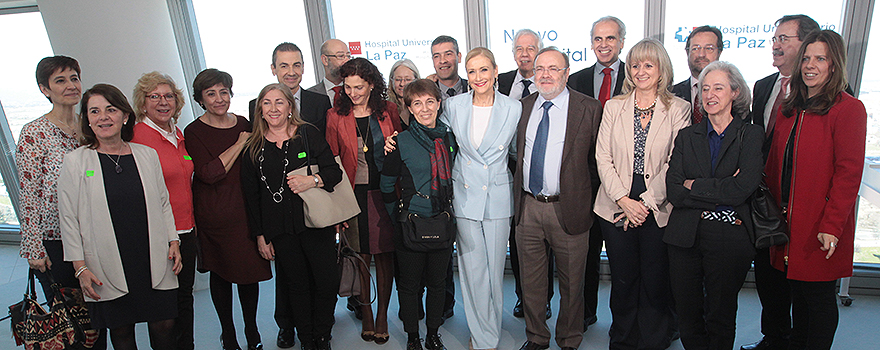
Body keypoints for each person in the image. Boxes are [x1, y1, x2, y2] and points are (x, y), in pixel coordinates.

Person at [58, 83, 182, 349]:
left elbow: (163, 203)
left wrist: (174, 241)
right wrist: (80, 267)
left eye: (110, 109)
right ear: (87, 120)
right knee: (122, 330)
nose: (103, 117)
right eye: (94, 111)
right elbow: (68, 219)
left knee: (165, 325)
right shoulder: (77, 161)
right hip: (105, 261)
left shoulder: (146, 155)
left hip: (153, 254)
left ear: (125, 115)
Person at [764, 30, 866, 350]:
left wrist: (832, 226)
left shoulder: (849, 109)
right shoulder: (789, 108)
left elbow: (848, 175)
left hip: (820, 224)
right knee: (797, 295)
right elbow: (774, 166)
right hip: (786, 223)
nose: (811, 65)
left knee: (819, 299)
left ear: (834, 65)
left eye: (820, 58)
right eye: (807, 58)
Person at [593, 38, 689, 350]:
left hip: (656, 204)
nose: (641, 70)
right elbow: (602, 157)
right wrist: (623, 199)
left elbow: (676, 163)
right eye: (635, 64)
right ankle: (622, 339)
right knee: (623, 278)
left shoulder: (678, 109)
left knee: (654, 278)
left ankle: (653, 339)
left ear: (662, 70)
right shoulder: (614, 106)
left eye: (649, 64)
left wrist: (645, 203)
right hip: (616, 201)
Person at [666, 61, 763, 349]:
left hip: (729, 235)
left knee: (720, 313)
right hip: (684, 235)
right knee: (687, 312)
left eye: (718, 88)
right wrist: (720, 187)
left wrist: (694, 185)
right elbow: (673, 190)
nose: (710, 94)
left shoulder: (750, 134)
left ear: (735, 92)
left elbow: (742, 189)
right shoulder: (687, 135)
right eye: (705, 88)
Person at [241, 83, 342, 350]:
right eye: (267, 103)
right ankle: (308, 339)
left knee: (326, 282)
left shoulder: (308, 134)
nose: (273, 108)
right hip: (280, 230)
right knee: (297, 287)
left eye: (280, 102)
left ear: (290, 107)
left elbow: (334, 173)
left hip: (315, 223)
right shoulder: (252, 147)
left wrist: (312, 181)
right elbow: (251, 197)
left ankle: (323, 335)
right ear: (260, 110)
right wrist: (260, 236)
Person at [513, 47, 601, 350]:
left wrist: (585, 200)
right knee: (531, 284)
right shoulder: (522, 107)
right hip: (528, 209)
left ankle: (569, 339)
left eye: (554, 68)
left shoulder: (588, 108)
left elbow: (597, 163)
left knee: (572, 284)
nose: (546, 75)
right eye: (540, 69)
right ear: (533, 73)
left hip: (569, 208)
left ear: (566, 73)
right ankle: (536, 338)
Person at [17, 56, 108, 349]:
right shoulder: (34, 133)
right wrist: (34, 248)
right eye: (60, 80)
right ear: (45, 89)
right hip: (55, 241)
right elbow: (28, 194)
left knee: (99, 315)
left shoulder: (90, 127)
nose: (70, 85)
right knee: (72, 325)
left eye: (74, 78)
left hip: (93, 237)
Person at [741, 14, 820, 350]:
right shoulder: (761, 86)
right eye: (775, 38)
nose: (775, 44)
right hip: (764, 200)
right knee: (768, 277)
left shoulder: (823, 92)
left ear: (806, 45)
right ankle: (773, 337)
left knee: (802, 283)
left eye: (784, 38)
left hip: (802, 201)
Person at [185, 68, 272, 350]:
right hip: (215, 215)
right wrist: (238, 144)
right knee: (220, 275)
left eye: (224, 92)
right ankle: (229, 334)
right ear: (201, 99)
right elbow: (209, 173)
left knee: (249, 275)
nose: (219, 99)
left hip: (246, 212)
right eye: (211, 94)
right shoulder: (194, 131)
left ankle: (252, 331)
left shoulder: (244, 122)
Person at [444, 47, 521, 350]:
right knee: (472, 269)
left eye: (484, 70)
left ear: (495, 71)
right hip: (464, 195)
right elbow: (441, 143)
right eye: (472, 71)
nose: (478, 77)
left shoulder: (513, 107)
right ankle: (482, 334)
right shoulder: (453, 106)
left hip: (498, 196)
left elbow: (517, 152)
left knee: (493, 269)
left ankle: (491, 328)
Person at [325, 57, 402, 345]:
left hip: (385, 194)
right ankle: (366, 314)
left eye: (358, 87)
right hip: (352, 196)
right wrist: (336, 210)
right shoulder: (335, 116)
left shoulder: (389, 111)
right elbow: (331, 164)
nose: (352, 93)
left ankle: (382, 315)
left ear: (371, 85)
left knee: (384, 256)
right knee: (360, 257)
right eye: (347, 87)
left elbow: (400, 151)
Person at [380, 79, 456, 350]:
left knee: (437, 284)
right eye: (417, 103)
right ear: (409, 108)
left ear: (438, 103)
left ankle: (433, 335)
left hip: (443, 221)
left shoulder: (449, 138)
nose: (425, 109)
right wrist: (398, 217)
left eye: (430, 102)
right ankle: (413, 337)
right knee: (410, 287)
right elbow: (387, 185)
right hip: (410, 225)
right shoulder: (400, 142)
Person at [567, 16, 628, 328]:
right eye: (598, 39)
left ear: (621, 42)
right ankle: (585, 313)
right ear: (591, 43)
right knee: (585, 256)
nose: (604, 45)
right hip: (584, 181)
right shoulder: (575, 80)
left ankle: (624, 323)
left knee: (622, 262)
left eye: (610, 39)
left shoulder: (637, 76)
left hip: (623, 183)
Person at [130, 72, 197, 350]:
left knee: (184, 299)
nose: (162, 101)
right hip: (159, 235)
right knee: (163, 310)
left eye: (168, 95)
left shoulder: (177, 133)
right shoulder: (136, 137)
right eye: (154, 96)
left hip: (187, 229)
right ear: (143, 103)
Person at [496, 30, 554, 320]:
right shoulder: (501, 82)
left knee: (546, 242)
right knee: (518, 241)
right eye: (519, 48)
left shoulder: (550, 83)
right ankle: (523, 296)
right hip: (505, 174)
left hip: (541, 174)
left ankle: (545, 299)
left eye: (531, 48)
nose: (524, 54)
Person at [248, 42, 332, 137]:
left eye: (296, 66)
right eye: (284, 66)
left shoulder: (320, 102)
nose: (291, 73)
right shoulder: (256, 106)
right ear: (273, 69)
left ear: (303, 68)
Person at [671, 25, 723, 124]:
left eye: (709, 48)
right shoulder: (671, 93)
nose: (701, 54)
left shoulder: (731, 95)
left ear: (719, 52)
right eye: (695, 48)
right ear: (687, 52)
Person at [498, 29, 542, 99]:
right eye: (519, 49)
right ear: (514, 54)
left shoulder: (548, 82)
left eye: (530, 49)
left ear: (539, 53)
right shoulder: (499, 81)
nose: (524, 54)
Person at [308, 39, 351, 106]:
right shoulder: (310, 95)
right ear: (325, 60)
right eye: (340, 56)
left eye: (348, 56)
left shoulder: (357, 91)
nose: (346, 60)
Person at [431, 35, 469, 100]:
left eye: (448, 54)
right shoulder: (427, 92)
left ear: (459, 57)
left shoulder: (474, 89)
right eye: (437, 56)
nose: (442, 61)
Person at [387, 58, 420, 127]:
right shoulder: (385, 109)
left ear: (416, 80)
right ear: (391, 81)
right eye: (398, 79)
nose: (402, 84)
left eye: (407, 79)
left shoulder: (423, 107)